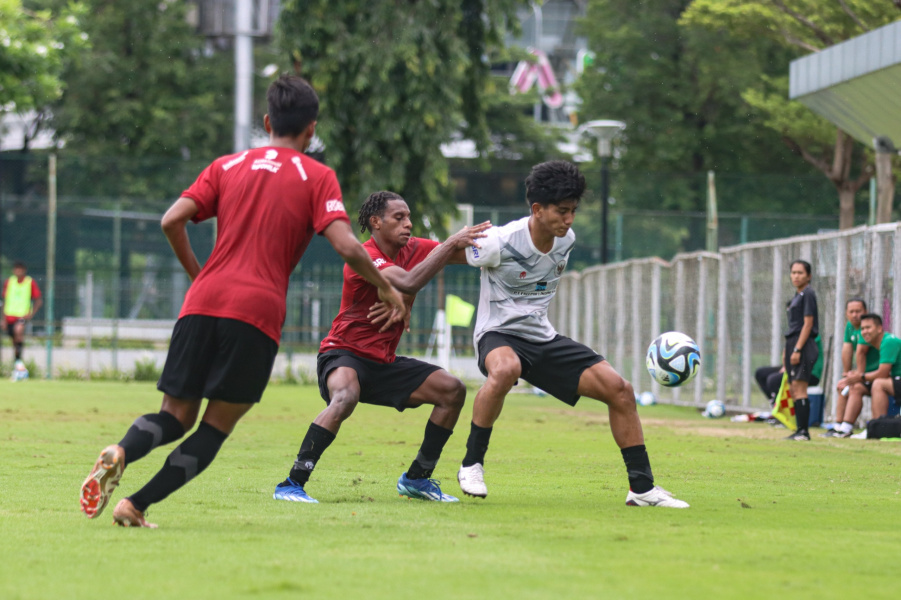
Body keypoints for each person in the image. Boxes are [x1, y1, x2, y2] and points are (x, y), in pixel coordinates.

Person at [78, 75, 405, 528]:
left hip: (201, 302)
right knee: (214, 427)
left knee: (174, 416)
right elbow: (349, 246)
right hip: (255, 312)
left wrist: (200, 276)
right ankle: (133, 504)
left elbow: (171, 220)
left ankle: (121, 451)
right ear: (311, 130)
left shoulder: (226, 165)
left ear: (268, 121)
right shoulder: (316, 175)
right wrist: (388, 288)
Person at [455, 160, 688, 508]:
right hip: (498, 334)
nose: (569, 220)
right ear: (537, 209)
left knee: (620, 390)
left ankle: (641, 489)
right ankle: (472, 464)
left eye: (573, 211)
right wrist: (402, 290)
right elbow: (443, 255)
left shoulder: (566, 240)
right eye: (562, 211)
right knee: (506, 370)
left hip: (541, 338)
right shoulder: (498, 242)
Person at [273, 192, 490, 503]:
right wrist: (449, 243)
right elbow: (409, 281)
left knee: (452, 390)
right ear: (375, 222)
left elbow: (468, 254)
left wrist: (519, 244)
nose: (408, 224)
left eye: (409, 217)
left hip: (383, 363)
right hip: (343, 354)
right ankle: (292, 483)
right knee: (345, 396)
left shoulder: (415, 249)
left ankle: (417, 478)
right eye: (398, 218)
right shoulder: (365, 256)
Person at [830, 313, 900, 437]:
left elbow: (883, 373)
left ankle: (878, 429)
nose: (864, 332)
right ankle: (844, 428)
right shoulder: (879, 344)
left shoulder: (889, 341)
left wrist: (859, 377)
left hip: (897, 380)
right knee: (856, 387)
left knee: (878, 384)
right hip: (895, 380)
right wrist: (853, 378)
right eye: (862, 329)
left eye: (868, 328)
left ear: (879, 329)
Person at [782, 259, 819, 441]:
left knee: (800, 386)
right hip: (793, 343)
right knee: (794, 387)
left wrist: (797, 349)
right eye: (793, 272)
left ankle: (804, 431)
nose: (796, 276)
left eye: (800, 273)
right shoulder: (797, 295)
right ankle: (799, 430)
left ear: (808, 276)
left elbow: (808, 324)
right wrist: (787, 350)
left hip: (803, 345)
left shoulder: (808, 294)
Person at [825, 298, 870, 436]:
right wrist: (847, 375)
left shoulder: (867, 327)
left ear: (865, 312)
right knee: (842, 386)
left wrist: (856, 377)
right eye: (852, 312)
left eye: (858, 311)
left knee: (855, 387)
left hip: (874, 375)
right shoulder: (850, 326)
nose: (855, 315)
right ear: (846, 313)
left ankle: (846, 428)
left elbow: (861, 352)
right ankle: (838, 426)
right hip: (862, 374)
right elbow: (847, 350)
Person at [3, 260, 42, 376]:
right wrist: (3, 319)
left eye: (20, 270)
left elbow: (38, 300)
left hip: (22, 315)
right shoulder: (9, 282)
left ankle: (19, 364)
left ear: (24, 271)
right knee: (14, 339)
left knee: (18, 331)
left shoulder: (30, 282)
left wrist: (31, 314)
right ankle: (19, 365)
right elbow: (5, 300)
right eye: (16, 270)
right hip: (9, 316)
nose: (18, 272)